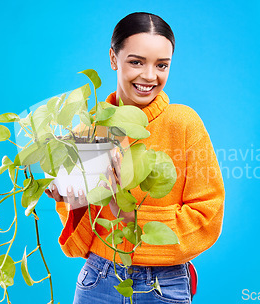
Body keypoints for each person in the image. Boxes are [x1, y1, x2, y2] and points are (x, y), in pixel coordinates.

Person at [45, 12, 225, 304]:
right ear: (114, 59)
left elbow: (208, 216)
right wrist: (69, 200)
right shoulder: (90, 129)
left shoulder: (184, 124)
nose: (150, 76)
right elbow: (77, 246)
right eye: (136, 61)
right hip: (97, 279)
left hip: (164, 285)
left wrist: (132, 218)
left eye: (162, 65)